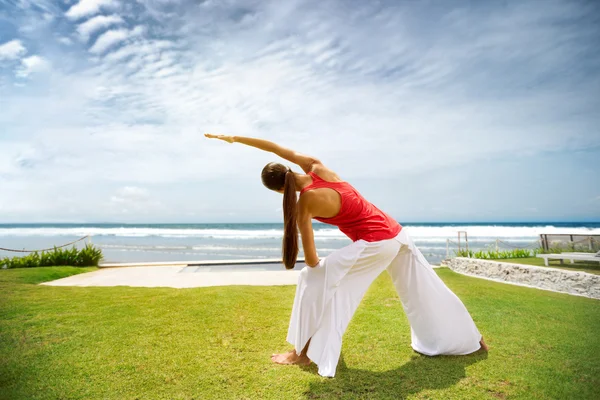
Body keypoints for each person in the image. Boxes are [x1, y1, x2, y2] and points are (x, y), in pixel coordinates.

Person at [205, 133, 488, 378]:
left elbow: (313, 261)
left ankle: (300, 353)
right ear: (289, 169)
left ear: (280, 191)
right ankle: (470, 340)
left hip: (377, 243)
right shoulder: (316, 166)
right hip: (397, 232)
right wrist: (235, 138)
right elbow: (274, 147)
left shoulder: (305, 204)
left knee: (309, 278)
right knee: (426, 287)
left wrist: (326, 272)